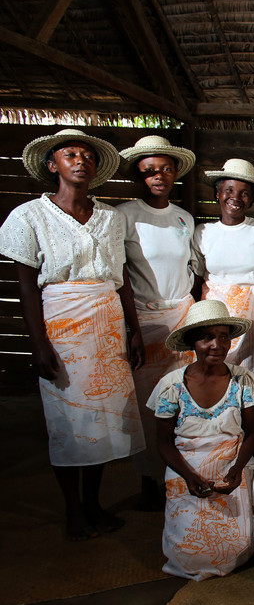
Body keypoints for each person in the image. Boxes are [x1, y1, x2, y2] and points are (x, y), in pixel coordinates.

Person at [0, 129, 143, 541]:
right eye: (70, 154)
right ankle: (73, 511)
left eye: (88, 155)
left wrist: (132, 329)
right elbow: (26, 286)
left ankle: (94, 503)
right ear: (52, 165)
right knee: (68, 420)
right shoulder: (30, 217)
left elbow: (122, 280)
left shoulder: (111, 218)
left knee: (98, 423)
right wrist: (38, 342)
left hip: (107, 323)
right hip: (63, 325)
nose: (81, 160)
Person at [148, 300, 254, 580]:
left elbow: (252, 432)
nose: (216, 345)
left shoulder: (243, 381)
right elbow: (163, 443)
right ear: (192, 343)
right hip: (186, 467)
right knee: (188, 554)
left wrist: (236, 471)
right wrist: (189, 476)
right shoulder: (171, 385)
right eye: (206, 337)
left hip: (231, 465)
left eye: (223, 337)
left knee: (236, 548)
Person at [117, 135, 198, 510]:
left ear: (175, 172)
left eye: (165, 169)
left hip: (181, 315)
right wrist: (133, 327)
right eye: (150, 171)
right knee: (150, 403)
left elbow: (190, 268)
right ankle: (149, 480)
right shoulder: (125, 215)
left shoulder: (185, 217)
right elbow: (120, 273)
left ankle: (182, 473)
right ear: (140, 175)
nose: (159, 177)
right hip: (146, 319)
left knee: (184, 398)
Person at [192, 158, 254, 375]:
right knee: (216, 368)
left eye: (244, 193)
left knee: (253, 372)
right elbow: (198, 276)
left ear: (252, 200)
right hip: (216, 310)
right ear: (217, 194)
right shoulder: (203, 232)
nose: (235, 197)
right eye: (228, 190)